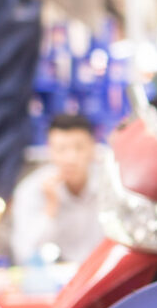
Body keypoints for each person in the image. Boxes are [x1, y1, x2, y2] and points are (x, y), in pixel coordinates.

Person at [9, 113, 110, 265]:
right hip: (52, 282)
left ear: (92, 148)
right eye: (61, 149)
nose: (71, 158)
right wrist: (50, 208)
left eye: (79, 148)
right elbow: (24, 254)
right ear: (49, 151)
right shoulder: (30, 190)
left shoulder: (111, 185)